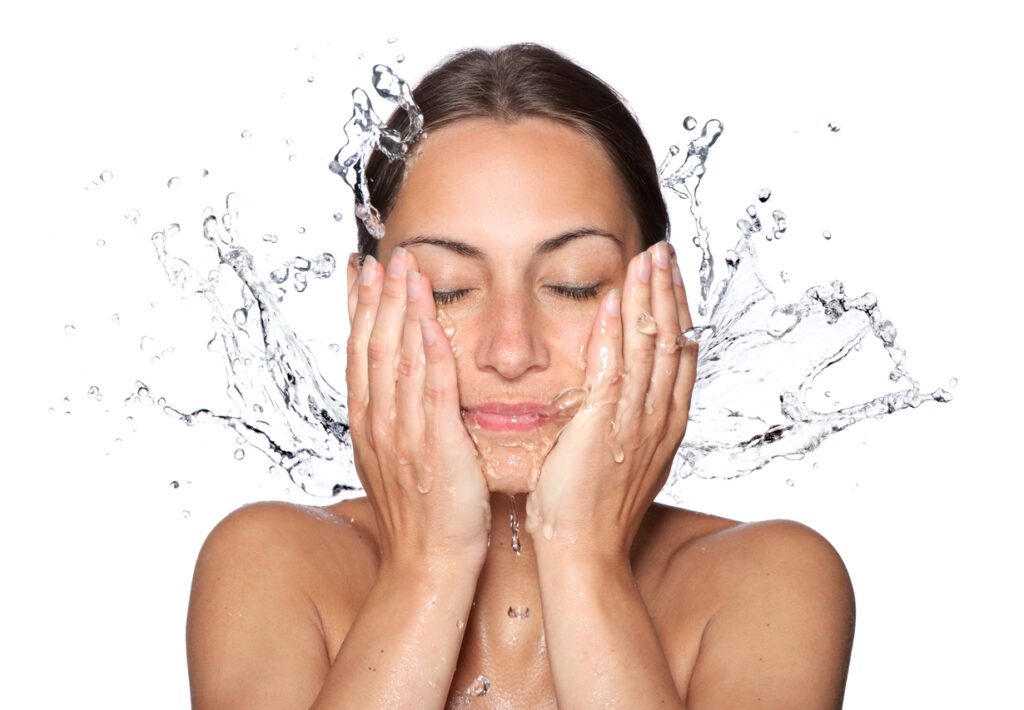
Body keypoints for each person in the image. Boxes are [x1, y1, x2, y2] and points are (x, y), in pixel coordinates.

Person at [186, 42, 855, 708]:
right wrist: (430, 568)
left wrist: (582, 556)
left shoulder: (768, 582)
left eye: (573, 285)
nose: (511, 351)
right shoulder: (272, 565)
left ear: (662, 306)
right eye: (446, 290)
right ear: (365, 309)